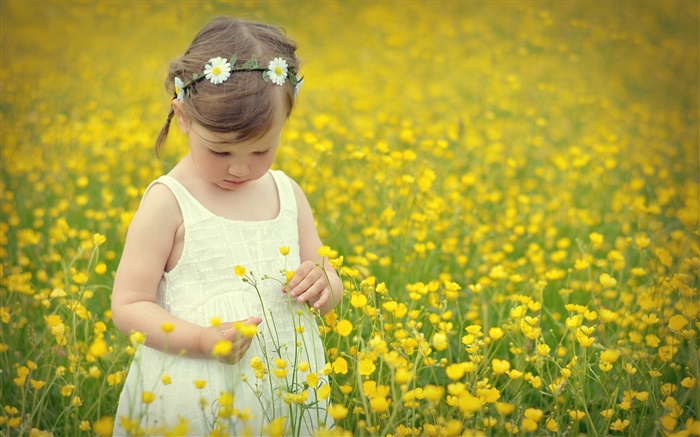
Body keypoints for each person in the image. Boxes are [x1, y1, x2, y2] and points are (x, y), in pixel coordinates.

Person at [111, 16, 342, 436]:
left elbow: (326, 280)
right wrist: (200, 340)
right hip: (194, 391)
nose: (240, 168)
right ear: (182, 117)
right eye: (219, 151)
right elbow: (128, 305)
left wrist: (324, 282)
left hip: (286, 388)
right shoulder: (168, 203)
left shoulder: (287, 194)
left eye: (260, 151)